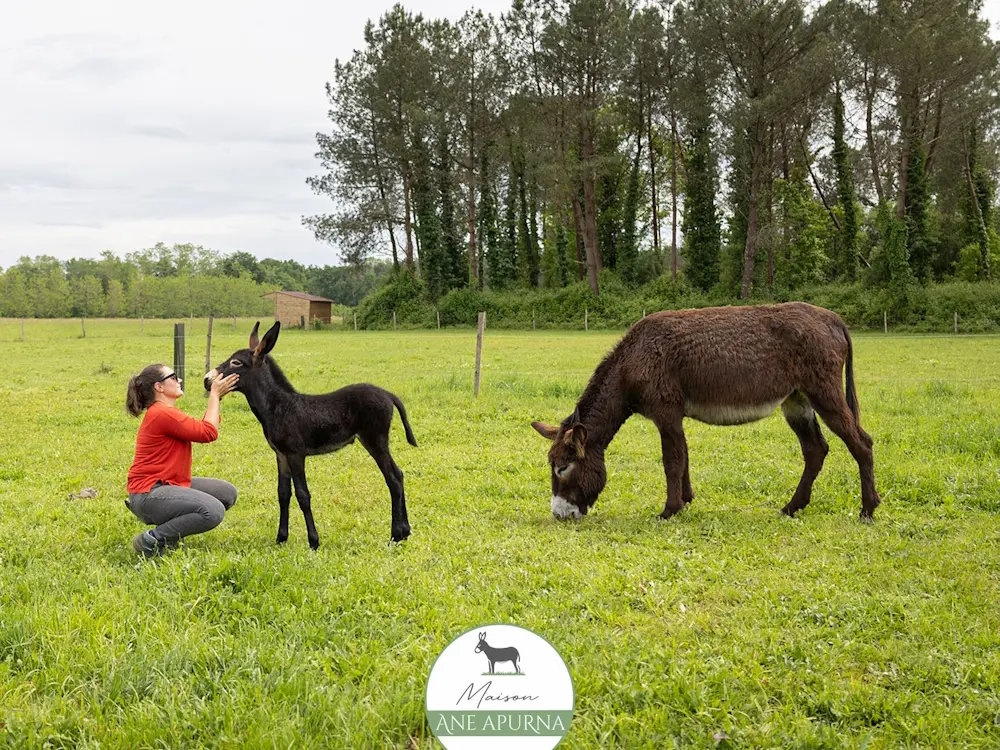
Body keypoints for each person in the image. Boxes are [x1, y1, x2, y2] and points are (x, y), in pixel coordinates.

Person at [124, 363, 240, 557]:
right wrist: (213, 395)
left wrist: (216, 397)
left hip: (166, 485)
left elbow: (204, 429)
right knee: (213, 511)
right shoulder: (162, 413)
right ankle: (152, 540)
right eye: (173, 376)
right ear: (159, 387)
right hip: (148, 494)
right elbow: (208, 432)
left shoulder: (165, 412)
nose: (179, 380)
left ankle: (169, 533)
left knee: (226, 493)